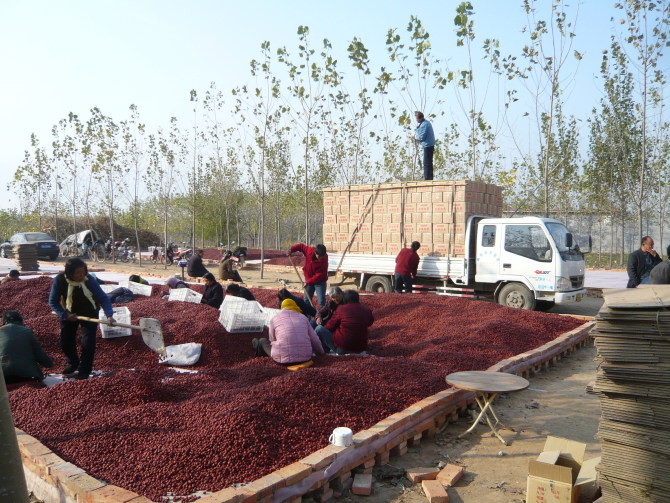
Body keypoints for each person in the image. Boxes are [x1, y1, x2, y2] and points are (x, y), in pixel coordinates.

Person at [48, 257, 115, 380]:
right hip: (68, 312)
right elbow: (53, 301)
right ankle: (73, 363)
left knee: (88, 342)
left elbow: (103, 298)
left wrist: (109, 315)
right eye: (78, 273)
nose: (82, 275)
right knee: (66, 341)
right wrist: (64, 315)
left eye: (84, 272)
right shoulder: (60, 280)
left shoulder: (89, 280)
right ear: (69, 273)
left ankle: (84, 369)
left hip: (89, 312)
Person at [251, 299, 324, 366]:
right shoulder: (303, 318)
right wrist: (321, 353)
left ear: (282, 308)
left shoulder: (274, 319)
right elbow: (314, 339)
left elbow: (272, 340)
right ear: (295, 306)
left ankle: (257, 346)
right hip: (305, 358)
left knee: (262, 341)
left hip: (282, 360)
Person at [0, 310, 53, 383]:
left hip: (4, 378)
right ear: (20, 320)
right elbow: (40, 355)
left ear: (4, 321)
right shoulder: (27, 332)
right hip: (27, 376)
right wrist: (50, 364)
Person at [316, 290, 374, 354]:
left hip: (342, 348)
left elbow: (329, 326)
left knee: (319, 329)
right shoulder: (366, 309)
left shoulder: (341, 309)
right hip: (361, 348)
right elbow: (370, 322)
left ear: (344, 299)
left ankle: (323, 351)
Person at [289, 243, 328, 309]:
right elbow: (300, 246)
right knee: (306, 300)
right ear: (316, 253)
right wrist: (291, 250)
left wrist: (308, 282)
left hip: (320, 282)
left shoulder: (324, 259)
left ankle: (322, 318)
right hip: (309, 280)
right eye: (320, 256)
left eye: (322, 256)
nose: (321, 258)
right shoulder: (309, 251)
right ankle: (307, 318)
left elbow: (319, 275)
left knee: (321, 302)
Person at [415, 111, 435, 181]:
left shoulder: (424, 125)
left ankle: (427, 178)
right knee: (429, 162)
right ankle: (429, 177)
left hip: (428, 145)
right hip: (429, 144)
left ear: (419, 118)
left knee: (426, 163)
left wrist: (414, 136)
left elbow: (421, 137)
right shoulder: (426, 123)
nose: (416, 120)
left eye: (417, 118)